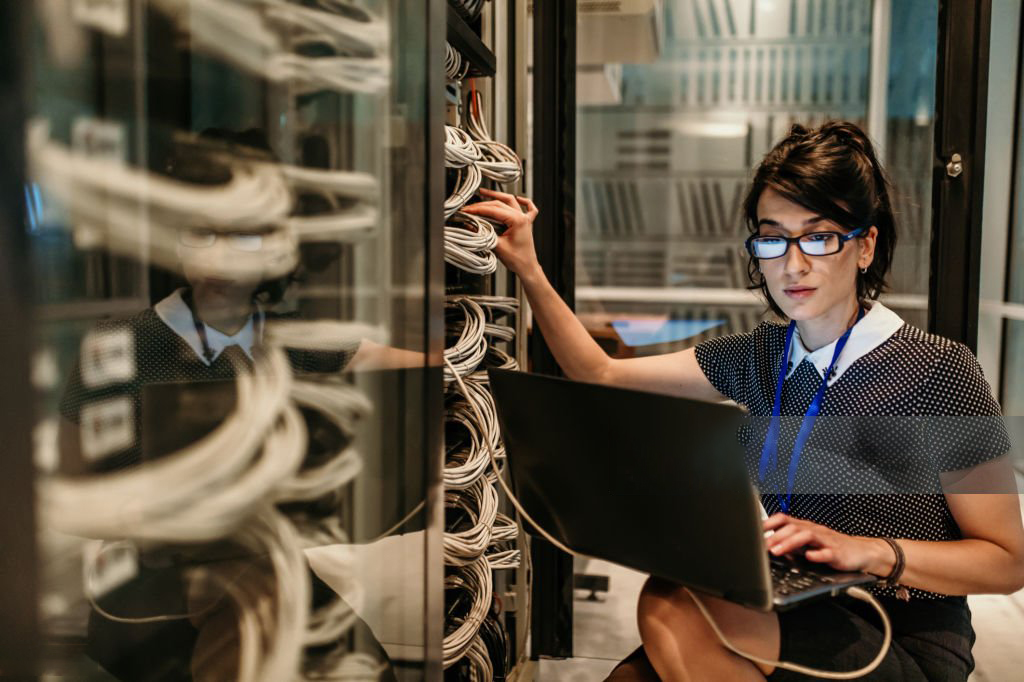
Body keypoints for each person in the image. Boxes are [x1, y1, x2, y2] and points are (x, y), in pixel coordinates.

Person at [461, 121, 1024, 681]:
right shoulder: (761, 356)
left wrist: (871, 552)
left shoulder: (938, 371)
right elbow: (599, 372)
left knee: (673, 606)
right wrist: (528, 268)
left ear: (865, 247)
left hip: (900, 633)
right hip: (792, 599)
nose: (793, 264)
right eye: (774, 238)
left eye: (819, 237)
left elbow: (1007, 561)